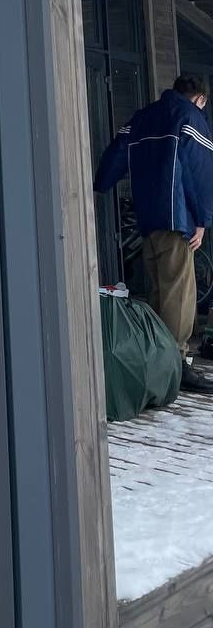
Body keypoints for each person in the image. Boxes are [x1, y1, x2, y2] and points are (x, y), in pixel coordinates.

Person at [94, 74, 213, 393]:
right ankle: (174, 364)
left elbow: (117, 154)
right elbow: (200, 171)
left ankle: (156, 359)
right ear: (199, 98)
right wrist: (203, 219)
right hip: (177, 220)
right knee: (179, 294)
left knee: (159, 291)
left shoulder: (143, 116)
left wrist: (102, 182)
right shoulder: (190, 117)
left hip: (148, 219)